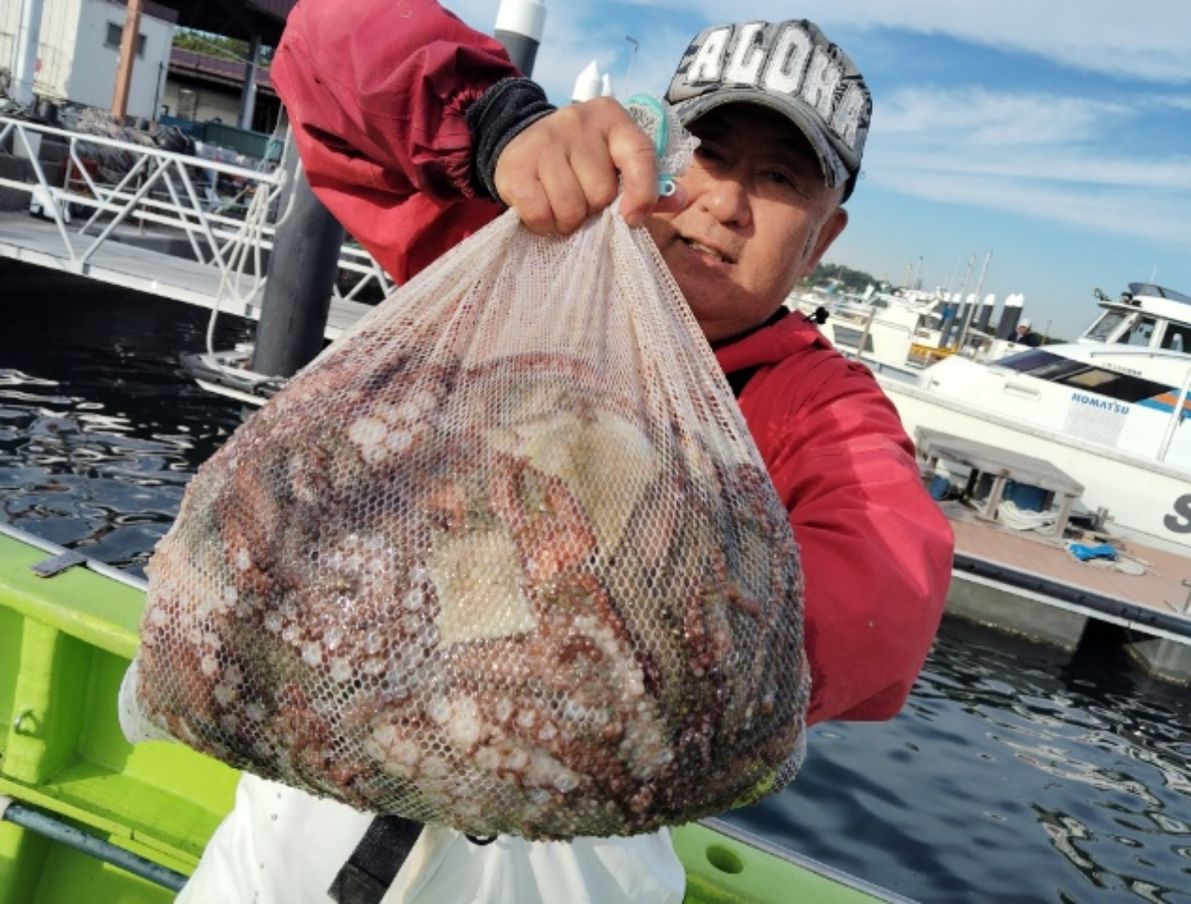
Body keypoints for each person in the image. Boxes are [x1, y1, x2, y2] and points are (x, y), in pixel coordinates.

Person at [173, 3, 954, 901]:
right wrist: (500, 124)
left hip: (563, 845)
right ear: (653, 148)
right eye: (710, 151)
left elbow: (888, 591)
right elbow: (326, 44)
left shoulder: (816, 405)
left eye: (780, 179)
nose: (727, 202)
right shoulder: (520, 244)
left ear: (824, 240)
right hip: (309, 789)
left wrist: (637, 624)